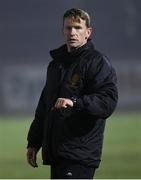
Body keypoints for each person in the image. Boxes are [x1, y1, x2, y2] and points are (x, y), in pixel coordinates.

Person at [26, 8, 118, 179]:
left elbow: (108, 101)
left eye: (77, 27)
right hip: (58, 153)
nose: (72, 32)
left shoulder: (97, 62)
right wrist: (34, 142)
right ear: (63, 31)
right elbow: (44, 107)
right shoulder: (55, 65)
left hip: (80, 154)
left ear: (88, 32)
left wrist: (75, 102)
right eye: (68, 28)